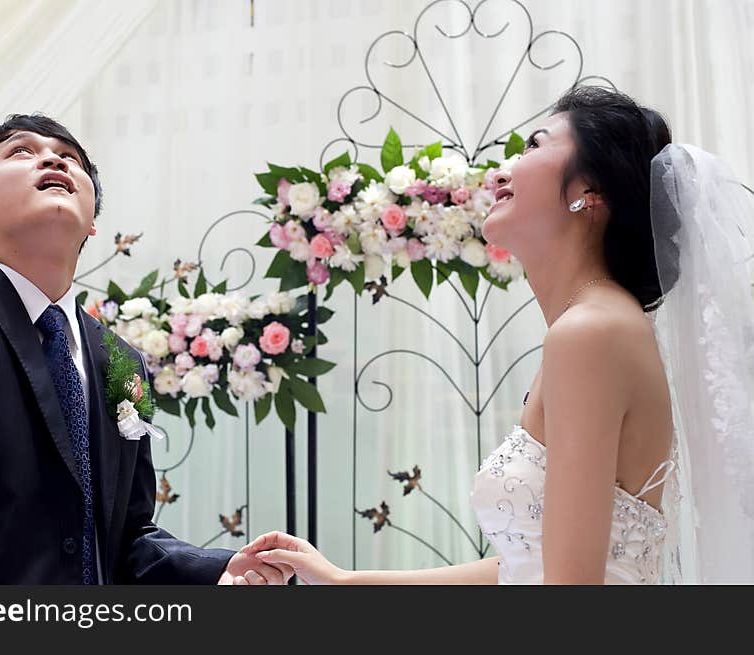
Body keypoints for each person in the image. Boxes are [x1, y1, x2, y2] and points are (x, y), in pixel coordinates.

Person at [235, 86, 754, 584]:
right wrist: (344, 581)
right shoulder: (594, 324)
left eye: (534, 145)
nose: (503, 169)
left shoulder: (591, 332)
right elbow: (529, 570)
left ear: (588, 191)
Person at [0, 114, 291, 585]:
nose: (54, 158)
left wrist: (219, 569)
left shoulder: (120, 360)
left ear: (92, 223)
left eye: (70, 158)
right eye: (21, 152)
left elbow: (128, 536)